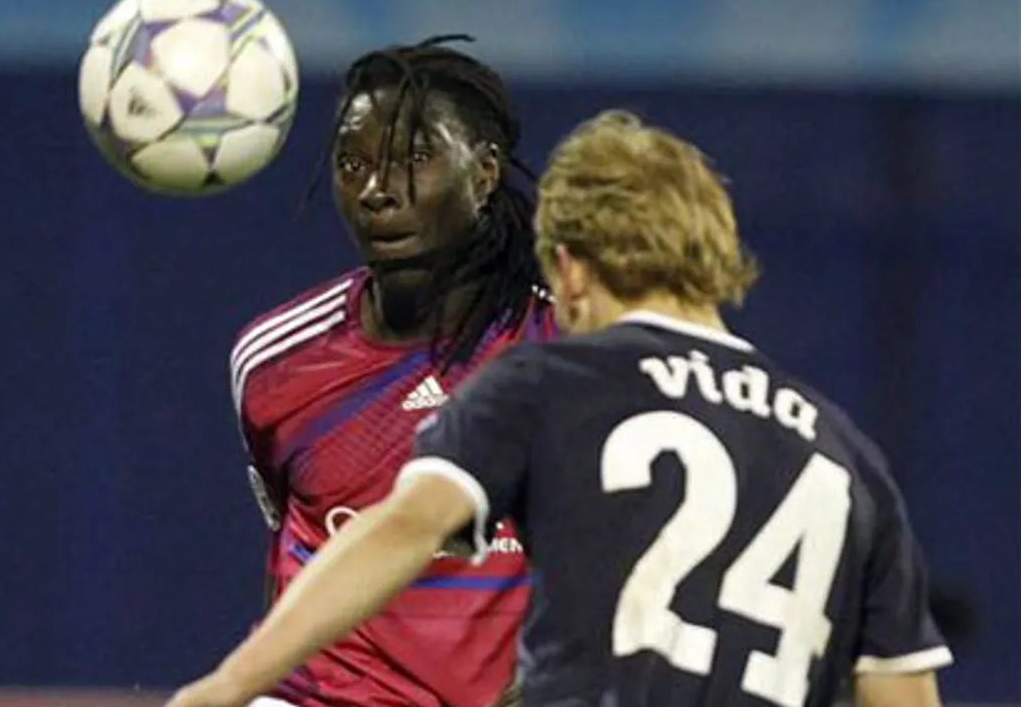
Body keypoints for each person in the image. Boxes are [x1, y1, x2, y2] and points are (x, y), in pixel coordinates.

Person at [172, 110, 953, 707]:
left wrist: (225, 687)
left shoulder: (547, 386)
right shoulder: (845, 457)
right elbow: (902, 694)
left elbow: (406, 526)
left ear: (570, 271)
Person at [224, 35, 558, 707]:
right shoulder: (274, 362)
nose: (377, 192)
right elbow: (295, 554)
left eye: (414, 160)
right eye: (353, 164)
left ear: (484, 172)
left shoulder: (564, 348)